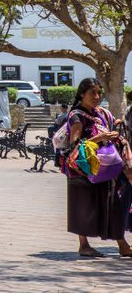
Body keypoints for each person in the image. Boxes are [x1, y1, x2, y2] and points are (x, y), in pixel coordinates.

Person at [60, 78, 132, 257]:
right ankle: (84, 245)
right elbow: (75, 144)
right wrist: (100, 138)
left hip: (104, 166)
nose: (97, 96)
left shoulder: (101, 114)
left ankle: (122, 244)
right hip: (84, 168)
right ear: (82, 94)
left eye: (99, 92)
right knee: (82, 205)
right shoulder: (77, 116)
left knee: (112, 203)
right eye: (93, 92)